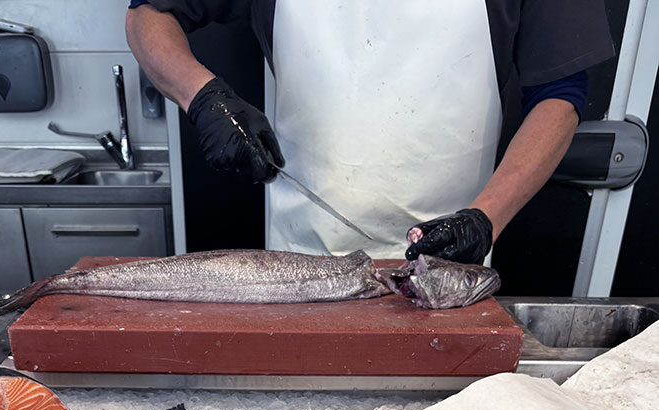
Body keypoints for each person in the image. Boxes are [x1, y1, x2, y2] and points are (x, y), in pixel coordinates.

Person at [126, 1, 613, 262]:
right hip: (300, 260)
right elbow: (147, 13)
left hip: (447, 261)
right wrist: (202, 95)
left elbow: (562, 95)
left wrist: (486, 219)